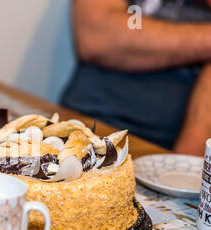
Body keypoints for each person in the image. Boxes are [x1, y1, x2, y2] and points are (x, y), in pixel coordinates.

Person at [61, 0, 211, 155]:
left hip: (165, 154)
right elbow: (95, 34)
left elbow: (192, 152)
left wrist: (184, 168)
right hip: (85, 124)